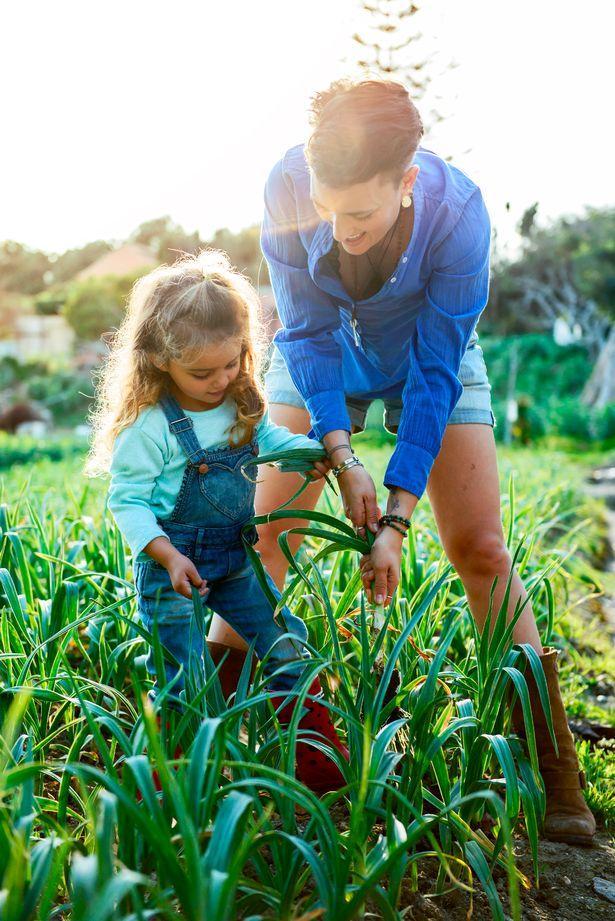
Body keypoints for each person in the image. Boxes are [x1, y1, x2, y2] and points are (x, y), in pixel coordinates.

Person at [206, 79, 595, 845]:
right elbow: (305, 332)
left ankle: (555, 773)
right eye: (328, 210)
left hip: (428, 355)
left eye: (360, 214)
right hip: (321, 354)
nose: (340, 229)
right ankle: (203, 745)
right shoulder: (287, 184)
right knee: (263, 536)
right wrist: (341, 454)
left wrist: (395, 515)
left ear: (406, 181)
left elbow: (436, 371)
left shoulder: (459, 213)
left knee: (479, 547)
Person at [85, 250, 348, 794]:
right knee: (183, 676)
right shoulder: (149, 427)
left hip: (233, 559)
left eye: (231, 364)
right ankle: (175, 781)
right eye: (201, 372)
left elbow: (269, 439)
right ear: (160, 360)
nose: (220, 380)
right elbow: (128, 502)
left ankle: (316, 758)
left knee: (285, 640)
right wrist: (166, 555)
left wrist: (309, 454)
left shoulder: (238, 402)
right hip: (172, 569)